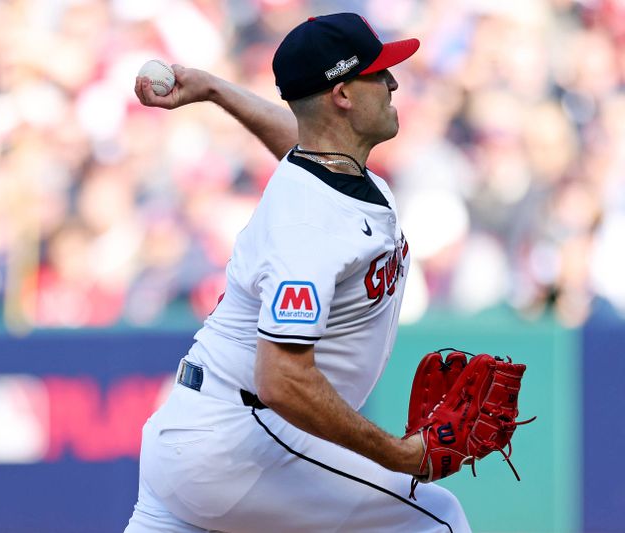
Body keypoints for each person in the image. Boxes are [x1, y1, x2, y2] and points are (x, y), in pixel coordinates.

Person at [125, 13, 471, 533]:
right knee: (436, 519)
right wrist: (397, 454)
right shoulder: (310, 226)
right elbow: (282, 380)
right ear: (344, 96)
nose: (393, 82)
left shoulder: (325, 166)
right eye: (378, 73)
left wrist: (218, 90)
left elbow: (300, 136)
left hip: (196, 434)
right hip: (244, 440)